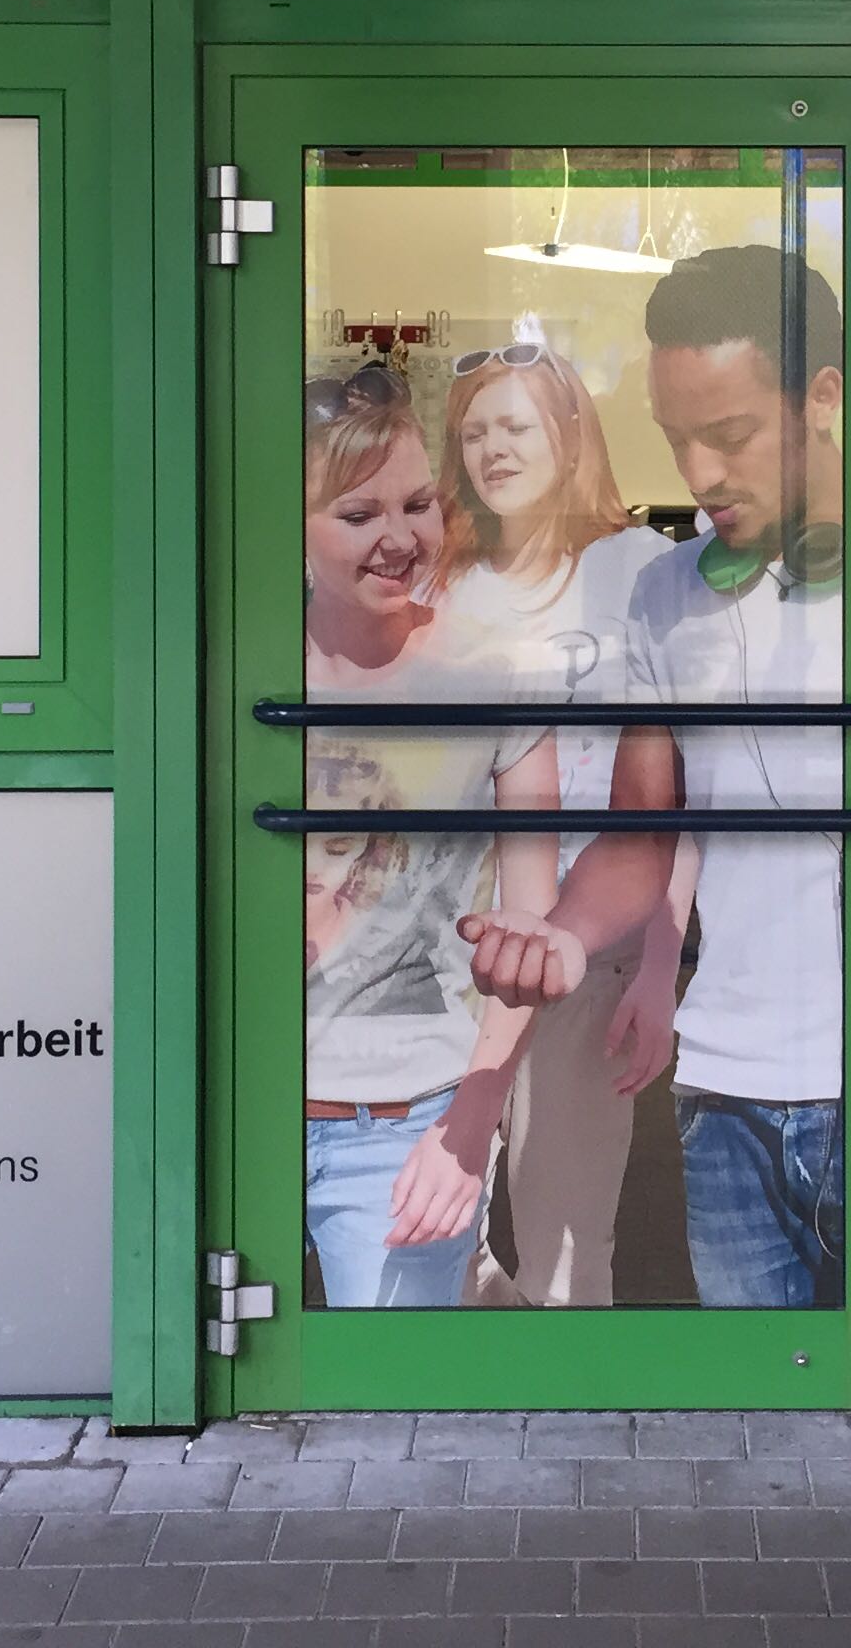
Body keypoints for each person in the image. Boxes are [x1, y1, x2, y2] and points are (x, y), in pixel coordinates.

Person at [459, 242, 851, 1308]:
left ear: (823, 398)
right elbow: (641, 832)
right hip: (726, 1095)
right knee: (763, 1425)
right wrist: (567, 937)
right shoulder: (666, 596)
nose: (701, 477)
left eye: (728, 436)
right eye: (679, 442)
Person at [299, 363, 559, 1309]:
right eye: (358, 515)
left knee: (386, 1429)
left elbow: (530, 925)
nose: (400, 539)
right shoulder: (230, 680)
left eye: (416, 506)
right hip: (231, 1107)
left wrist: (469, 1128)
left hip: (405, 1132)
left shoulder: (500, 681)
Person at [430, 338, 672, 1308]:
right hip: (451, 954)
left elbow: (675, 793)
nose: (493, 448)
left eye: (515, 425)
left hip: (586, 949)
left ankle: (565, 1430)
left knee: (570, 1254)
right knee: (437, 1229)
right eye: (474, 432)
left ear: (569, 437)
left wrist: (657, 962)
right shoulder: (438, 585)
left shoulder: (639, 569)